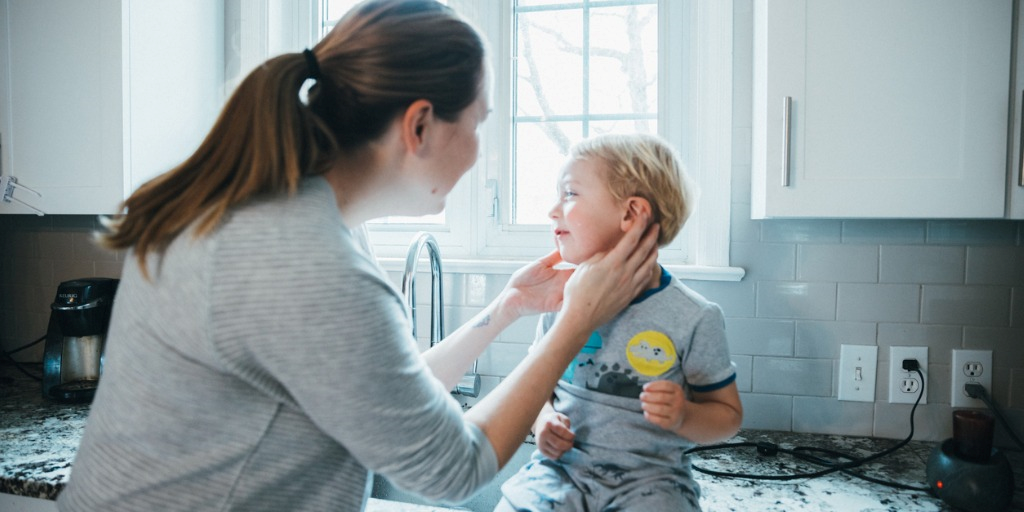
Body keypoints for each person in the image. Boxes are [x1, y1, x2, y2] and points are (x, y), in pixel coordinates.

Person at [56, 1, 660, 511]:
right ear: (419, 126)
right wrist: (575, 322)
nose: (479, 153)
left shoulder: (245, 211)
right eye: (477, 124)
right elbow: (451, 468)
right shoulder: (313, 265)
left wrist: (504, 311)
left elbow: (378, 400)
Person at [496, 134, 743, 512]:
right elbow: (538, 390)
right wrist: (543, 422)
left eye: (570, 194)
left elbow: (727, 416)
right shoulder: (561, 300)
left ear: (630, 214)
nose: (552, 211)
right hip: (560, 473)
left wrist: (685, 415)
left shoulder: (694, 316)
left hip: (652, 485)